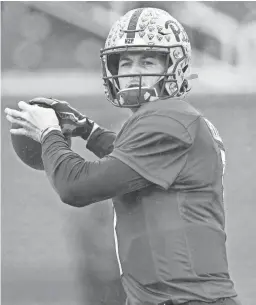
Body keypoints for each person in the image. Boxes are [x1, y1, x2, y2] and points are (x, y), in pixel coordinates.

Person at [5, 7, 242, 305]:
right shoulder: (171, 120)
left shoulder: (167, 118)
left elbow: (75, 187)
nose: (133, 72)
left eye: (147, 61)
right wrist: (88, 131)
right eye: (126, 62)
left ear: (175, 65)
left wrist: (49, 134)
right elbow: (134, 162)